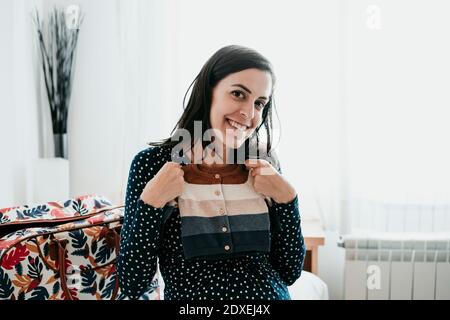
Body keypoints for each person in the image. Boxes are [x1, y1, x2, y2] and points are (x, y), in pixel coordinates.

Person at [117, 45, 306, 300]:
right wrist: (151, 203)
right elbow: (132, 283)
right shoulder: (151, 164)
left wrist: (288, 200)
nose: (250, 115)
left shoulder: (264, 162)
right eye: (239, 94)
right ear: (209, 91)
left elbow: (289, 272)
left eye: (260, 103)